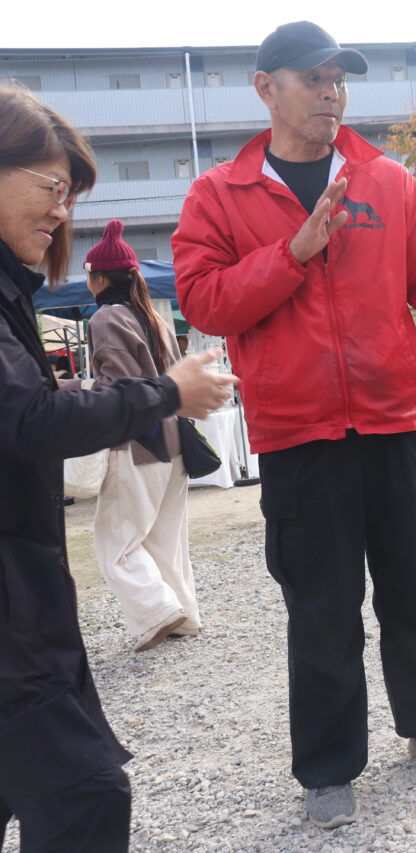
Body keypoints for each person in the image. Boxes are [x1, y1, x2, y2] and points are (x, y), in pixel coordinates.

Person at [170, 22, 416, 829]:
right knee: (322, 604)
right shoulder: (219, 194)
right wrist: (292, 252)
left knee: (415, 581)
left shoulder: (387, 181)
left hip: (394, 418)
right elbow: (203, 301)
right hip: (298, 434)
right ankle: (328, 767)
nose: (333, 91)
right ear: (267, 88)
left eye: (341, 78)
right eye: (315, 77)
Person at [0, 84, 236, 853]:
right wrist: (169, 390)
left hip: (129, 452)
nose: (60, 210)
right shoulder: (125, 312)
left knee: (128, 540)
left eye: (68, 194)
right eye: (52, 187)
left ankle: (165, 611)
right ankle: (169, 609)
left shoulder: (59, 304)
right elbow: (27, 416)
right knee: (85, 794)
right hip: (139, 448)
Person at [84, 220, 202, 653]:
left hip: (136, 439)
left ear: (98, 277)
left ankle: (157, 612)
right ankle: (183, 614)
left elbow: (117, 387)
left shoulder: (105, 318)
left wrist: (74, 391)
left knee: (115, 540)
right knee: (165, 538)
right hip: (173, 440)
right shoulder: (156, 316)